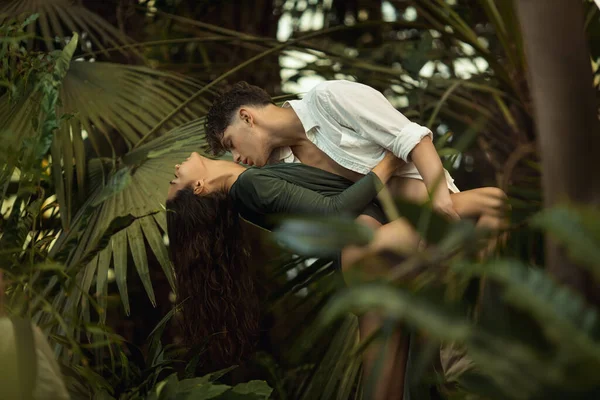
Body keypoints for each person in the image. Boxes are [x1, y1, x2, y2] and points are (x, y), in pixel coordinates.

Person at [204, 80, 509, 400]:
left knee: (456, 361)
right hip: (391, 245)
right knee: (412, 374)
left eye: (231, 143)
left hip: (436, 215)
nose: (236, 157)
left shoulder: (329, 99)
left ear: (247, 117)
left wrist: (440, 199)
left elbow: (413, 138)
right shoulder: (282, 166)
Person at [165, 151, 412, 372]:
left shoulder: (247, 186)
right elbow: (334, 210)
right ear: (198, 186)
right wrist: (390, 160)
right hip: (366, 251)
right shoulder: (249, 185)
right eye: (175, 181)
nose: (176, 167)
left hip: (357, 257)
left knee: (384, 380)